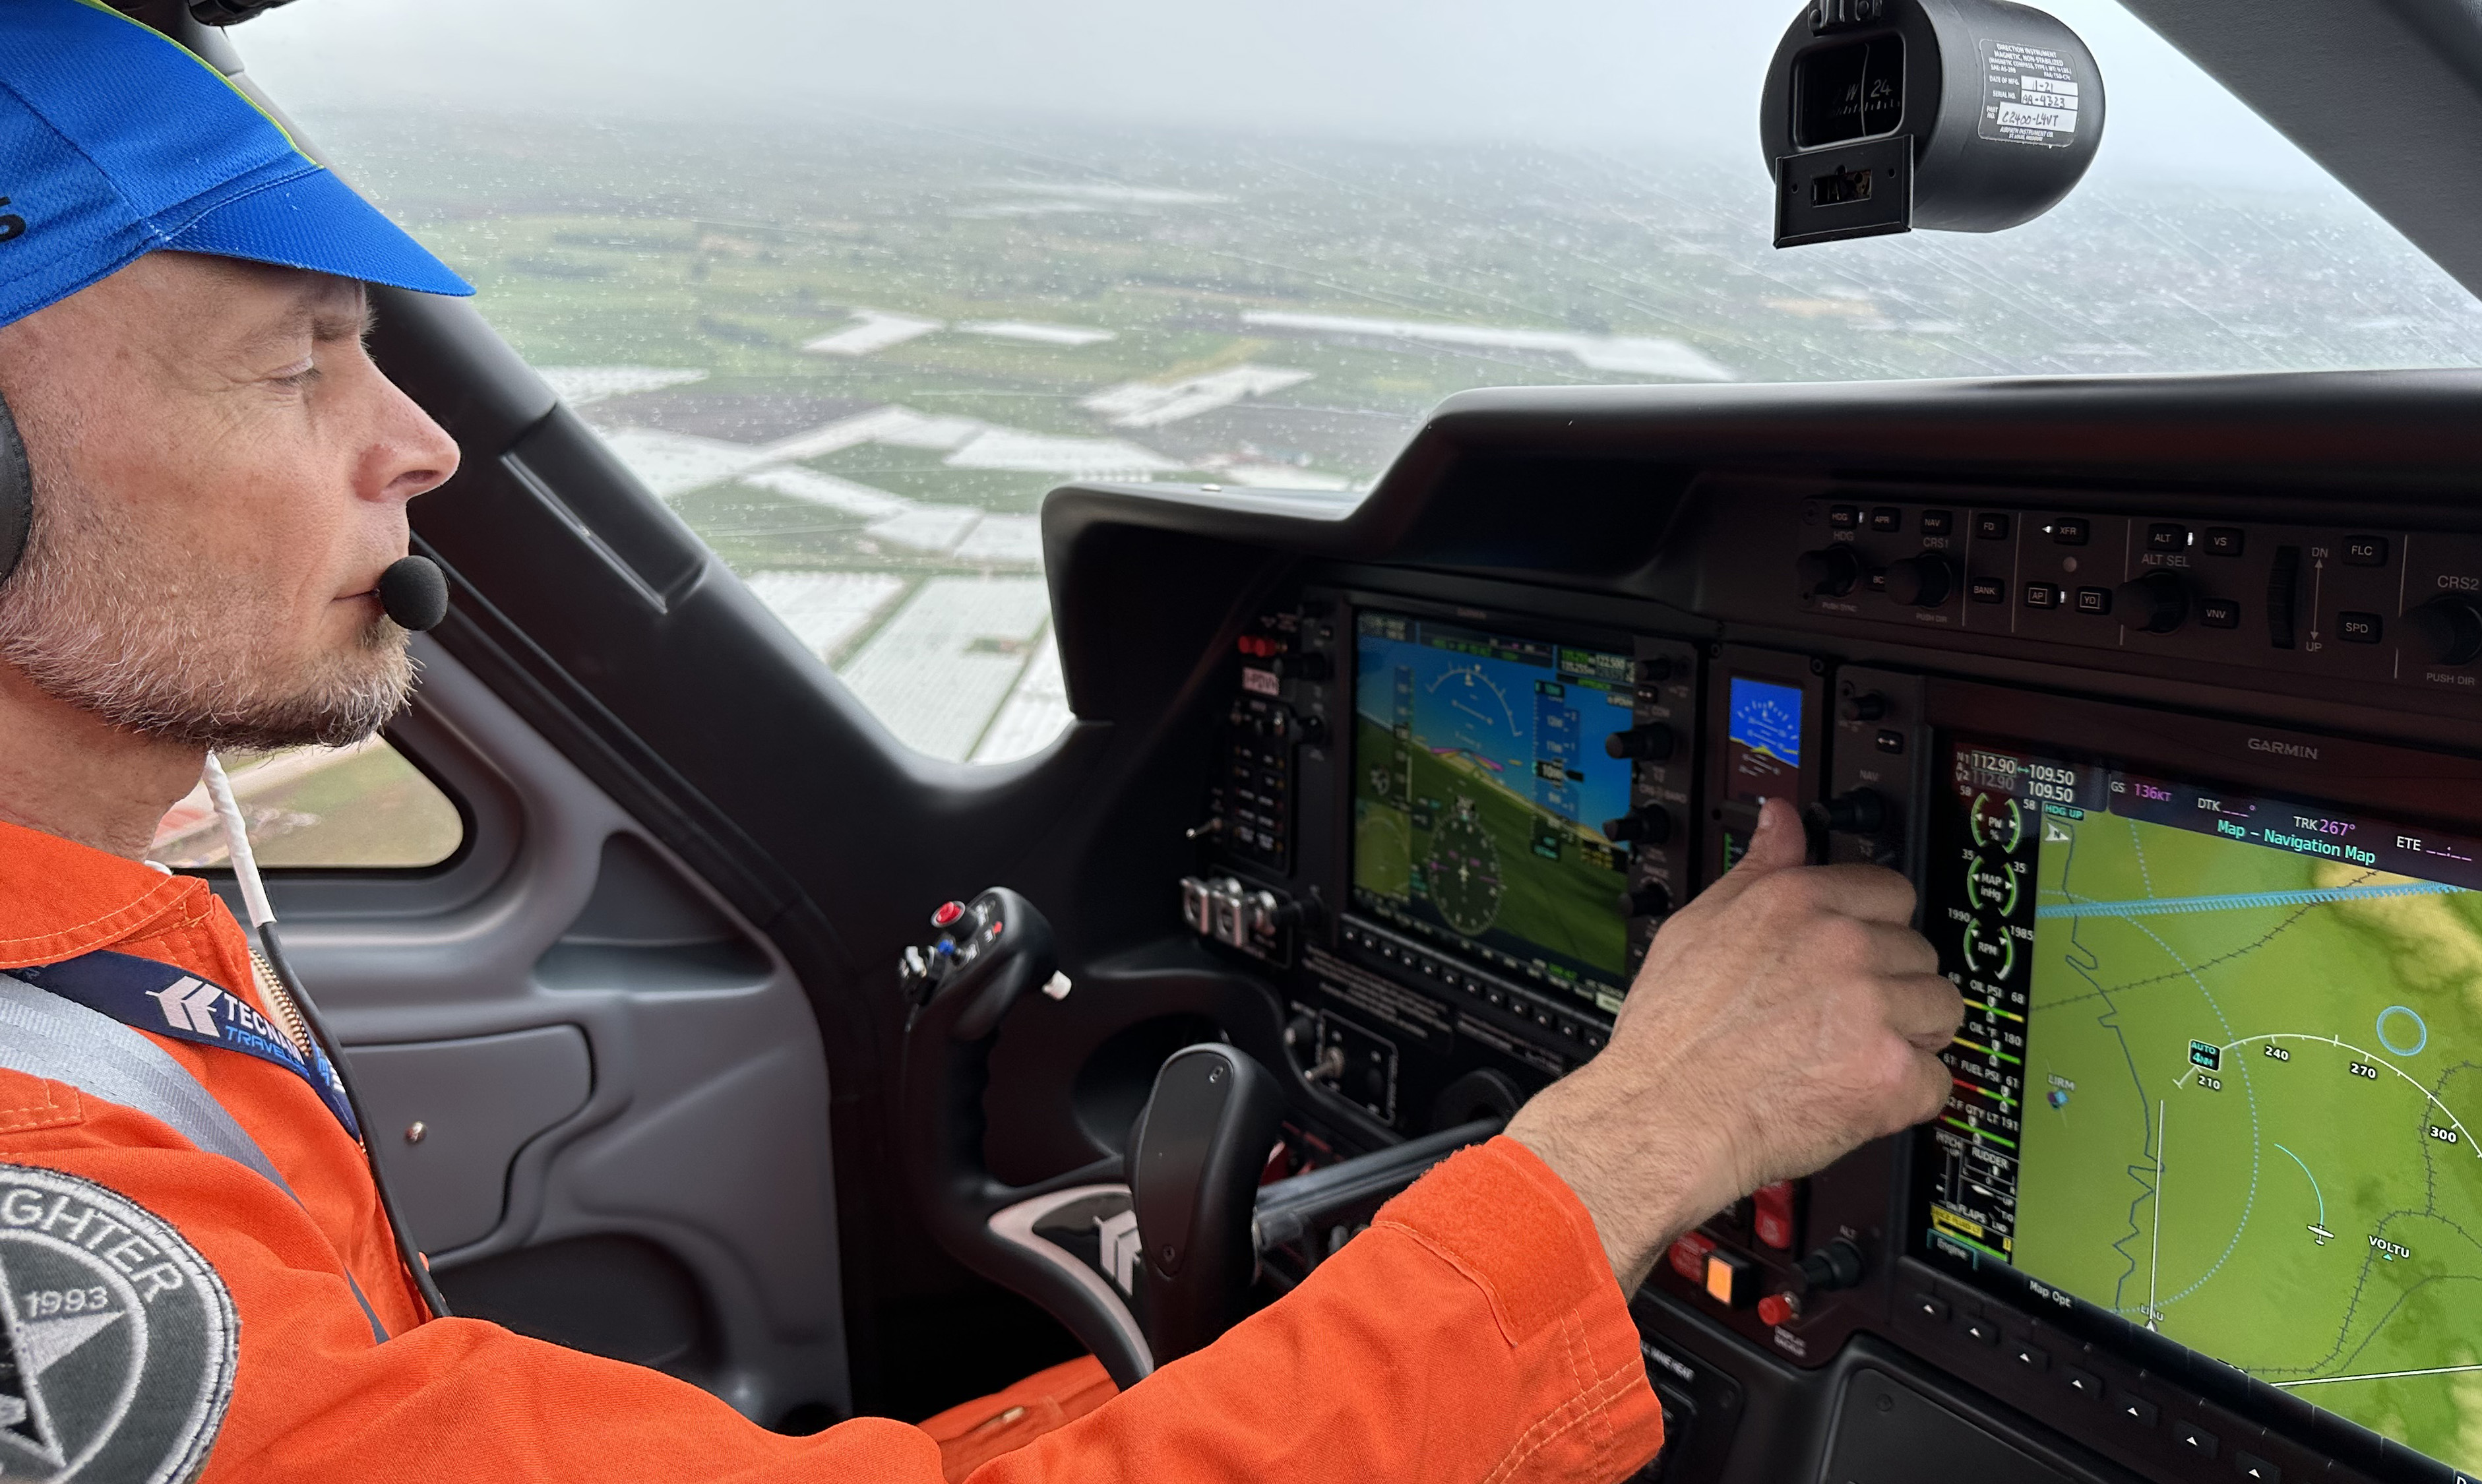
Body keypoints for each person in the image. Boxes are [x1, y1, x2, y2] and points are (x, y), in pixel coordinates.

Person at [0, 4, 1963, 1481]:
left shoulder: (103, 945)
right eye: (297, 360)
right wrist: (1634, 1147)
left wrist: (1197, 1387)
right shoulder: (47, 1195)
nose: (415, 443)